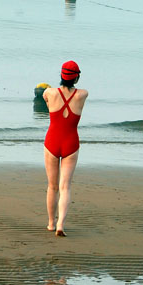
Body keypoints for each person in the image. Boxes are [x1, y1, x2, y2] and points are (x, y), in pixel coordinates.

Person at [42, 60, 89, 237]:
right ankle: (61, 224)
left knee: (52, 186)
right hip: (71, 143)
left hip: (52, 142)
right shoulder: (83, 94)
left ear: (61, 75)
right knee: (65, 186)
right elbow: (78, 91)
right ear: (76, 77)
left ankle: (50, 223)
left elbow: (45, 95)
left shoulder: (50, 92)